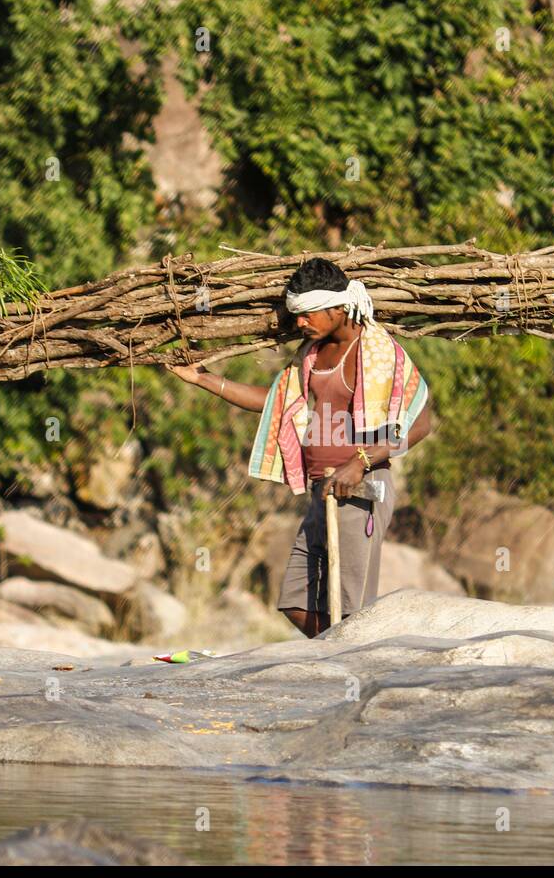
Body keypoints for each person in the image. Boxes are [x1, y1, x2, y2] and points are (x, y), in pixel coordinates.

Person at [166, 258, 433, 636]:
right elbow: (276, 401)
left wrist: (360, 461)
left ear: (338, 308)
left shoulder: (379, 353)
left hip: (362, 491)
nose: (300, 324)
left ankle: (352, 666)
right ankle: (342, 651)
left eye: (307, 314)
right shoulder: (311, 354)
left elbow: (420, 424)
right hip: (322, 490)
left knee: (352, 606)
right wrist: (203, 379)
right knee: (295, 599)